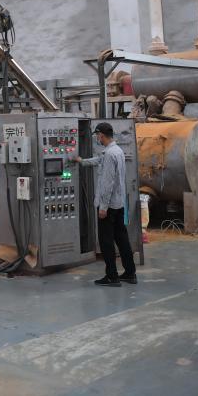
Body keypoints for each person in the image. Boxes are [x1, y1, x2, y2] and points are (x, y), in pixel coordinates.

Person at [70, 122, 137, 287]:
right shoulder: (117, 151)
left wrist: (103, 207)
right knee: (122, 239)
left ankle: (112, 276)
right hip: (119, 204)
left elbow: (107, 183)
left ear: (101, 135)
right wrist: (81, 161)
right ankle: (130, 273)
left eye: (97, 136)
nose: (97, 139)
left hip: (108, 207)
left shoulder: (109, 154)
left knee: (106, 241)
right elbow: (98, 160)